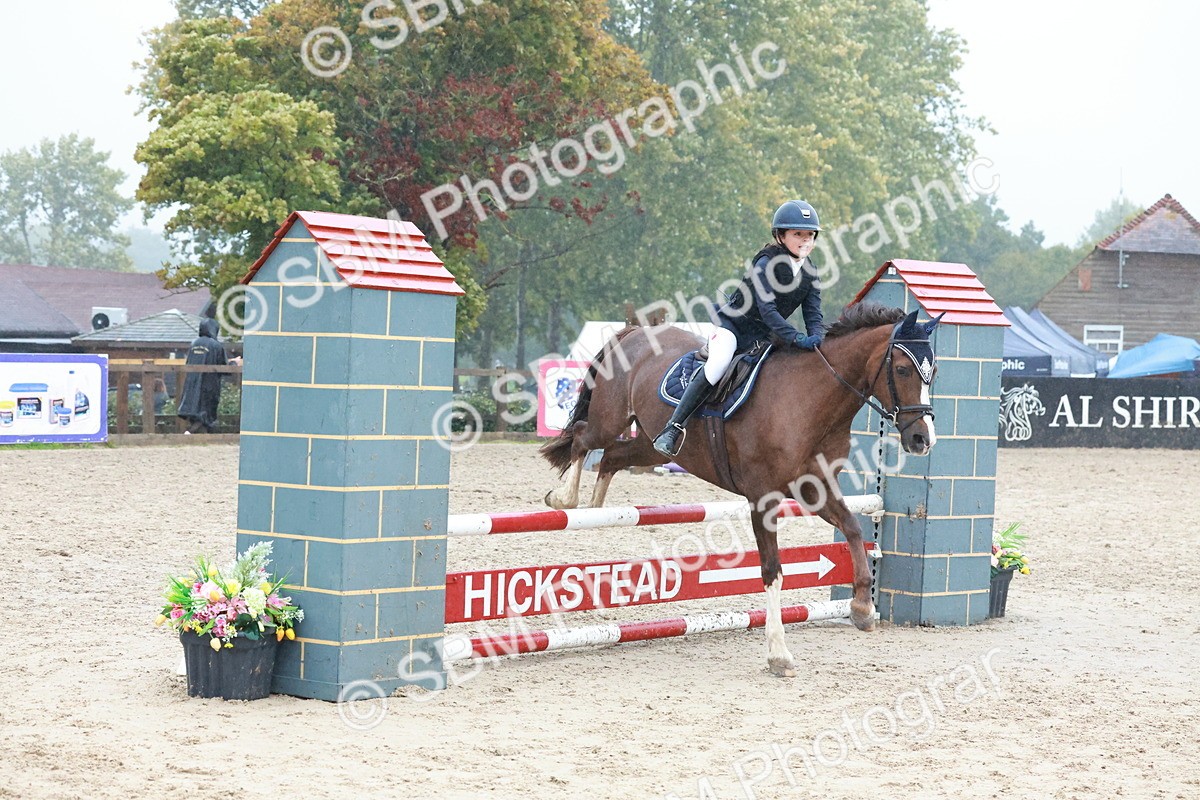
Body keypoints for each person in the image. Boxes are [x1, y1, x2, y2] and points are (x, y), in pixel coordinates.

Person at [652, 199, 826, 458]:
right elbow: (768, 311)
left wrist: (818, 340)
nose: (805, 240)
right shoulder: (765, 264)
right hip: (734, 326)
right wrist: (797, 338)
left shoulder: (810, 272)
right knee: (719, 363)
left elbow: (813, 314)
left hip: (766, 335)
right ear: (780, 236)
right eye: (797, 234)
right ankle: (672, 428)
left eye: (809, 235)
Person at [177, 318, 228, 434]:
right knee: (206, 412)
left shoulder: (193, 344)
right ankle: (189, 433)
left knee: (195, 412)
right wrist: (234, 363)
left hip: (192, 383)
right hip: (209, 385)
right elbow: (224, 367)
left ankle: (200, 436)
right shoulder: (216, 346)